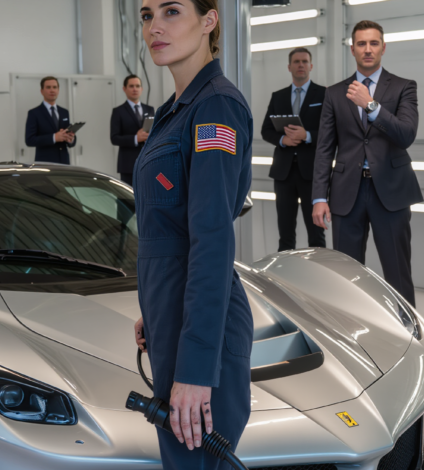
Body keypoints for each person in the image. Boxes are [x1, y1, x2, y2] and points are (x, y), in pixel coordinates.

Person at [132, 0, 253, 468]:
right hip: (174, 313)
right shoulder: (173, 111)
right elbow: (167, 233)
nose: (155, 27)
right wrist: (153, 308)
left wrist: (198, 369)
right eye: (147, 16)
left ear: (209, 20)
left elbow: (212, 239)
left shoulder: (215, 107)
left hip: (202, 333)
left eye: (171, 12)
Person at [312, 20, 422, 306]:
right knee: (346, 274)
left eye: (374, 43)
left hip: (390, 191)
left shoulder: (404, 87)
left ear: (383, 47)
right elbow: (324, 148)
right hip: (346, 192)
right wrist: (319, 197)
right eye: (362, 43)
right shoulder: (334, 93)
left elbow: (406, 135)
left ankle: (406, 326)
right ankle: (350, 326)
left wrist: (371, 105)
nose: (368, 49)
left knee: (397, 271)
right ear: (353, 49)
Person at [261, 47, 326, 250]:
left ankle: (318, 270)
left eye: (304, 61)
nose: (301, 65)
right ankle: (285, 269)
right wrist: (283, 140)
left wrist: (307, 135)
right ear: (289, 67)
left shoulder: (324, 94)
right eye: (296, 62)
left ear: (311, 66)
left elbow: (332, 132)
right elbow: (266, 130)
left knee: (316, 233)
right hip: (284, 174)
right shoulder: (278, 96)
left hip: (312, 174)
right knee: (285, 234)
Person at [110, 75, 155, 185]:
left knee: (147, 192)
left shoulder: (150, 109)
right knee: (129, 194)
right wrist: (135, 138)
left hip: (147, 160)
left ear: (142, 89)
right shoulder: (118, 111)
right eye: (131, 86)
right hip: (128, 164)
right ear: (124, 89)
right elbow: (114, 138)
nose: (135, 89)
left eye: (137, 86)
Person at [25, 76, 76, 164]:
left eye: (55, 87)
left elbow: (68, 134)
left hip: (64, 162)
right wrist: (54, 137)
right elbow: (30, 140)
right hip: (45, 163)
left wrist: (71, 139)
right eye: (48, 87)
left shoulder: (64, 112)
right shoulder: (34, 113)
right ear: (42, 91)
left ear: (58, 90)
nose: (52, 90)